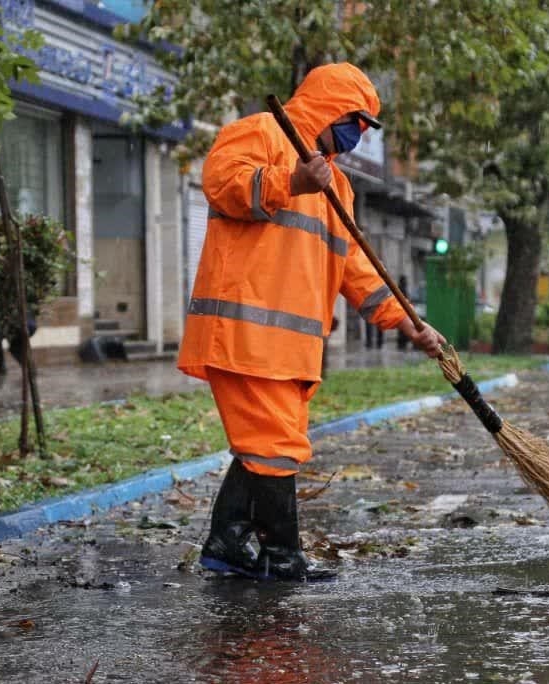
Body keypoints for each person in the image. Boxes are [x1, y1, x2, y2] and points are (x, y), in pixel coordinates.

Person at [177, 63, 446, 581]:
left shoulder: (338, 188)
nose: (358, 134)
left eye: (366, 127)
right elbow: (222, 183)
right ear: (330, 108)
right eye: (356, 120)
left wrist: (407, 321)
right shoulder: (260, 133)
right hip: (244, 336)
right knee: (275, 446)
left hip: (290, 349)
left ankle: (227, 542)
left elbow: (355, 266)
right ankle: (282, 557)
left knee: (268, 444)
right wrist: (291, 180)